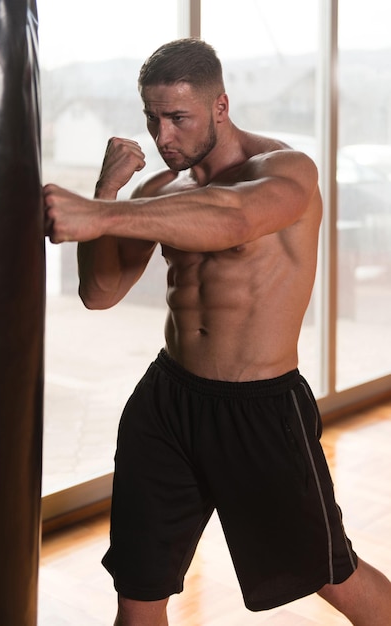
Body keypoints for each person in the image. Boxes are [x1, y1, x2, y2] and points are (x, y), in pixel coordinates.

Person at [44, 38, 391, 626]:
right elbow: (100, 294)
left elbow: (234, 216)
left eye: (178, 118)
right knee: (139, 586)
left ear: (221, 107)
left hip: (258, 408)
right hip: (167, 403)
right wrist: (108, 192)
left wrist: (98, 215)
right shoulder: (159, 193)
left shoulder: (286, 171)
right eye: (152, 119)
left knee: (332, 576)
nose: (163, 137)